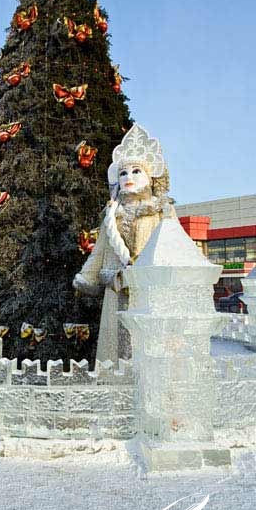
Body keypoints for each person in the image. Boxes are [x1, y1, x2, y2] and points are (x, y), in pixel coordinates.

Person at [73, 124, 175, 365]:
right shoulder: (111, 215)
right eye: (123, 173)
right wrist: (87, 277)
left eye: (136, 171)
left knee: (148, 348)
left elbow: (172, 248)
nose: (128, 177)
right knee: (115, 348)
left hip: (149, 290)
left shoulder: (162, 211)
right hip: (116, 288)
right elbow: (99, 251)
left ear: (150, 177)